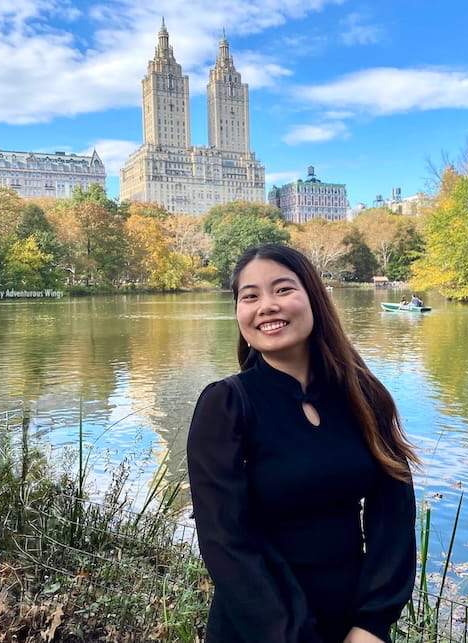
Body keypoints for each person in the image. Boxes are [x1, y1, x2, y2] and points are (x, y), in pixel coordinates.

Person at [187, 243, 418, 643]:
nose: (267, 306)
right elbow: (224, 539)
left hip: (352, 620)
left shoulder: (363, 396)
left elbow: (393, 515)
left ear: (314, 297)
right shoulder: (225, 405)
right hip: (260, 623)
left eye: (283, 290)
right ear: (239, 312)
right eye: (250, 296)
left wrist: (373, 622)